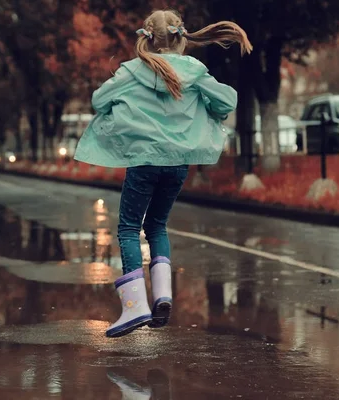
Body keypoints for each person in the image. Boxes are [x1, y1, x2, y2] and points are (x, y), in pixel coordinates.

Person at [74, 10, 252, 338]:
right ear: (180, 37)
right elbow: (226, 101)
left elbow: (99, 101)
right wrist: (207, 109)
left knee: (128, 228)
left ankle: (135, 307)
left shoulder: (133, 70)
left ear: (148, 38)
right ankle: (163, 296)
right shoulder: (195, 71)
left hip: (143, 162)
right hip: (177, 165)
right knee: (156, 225)